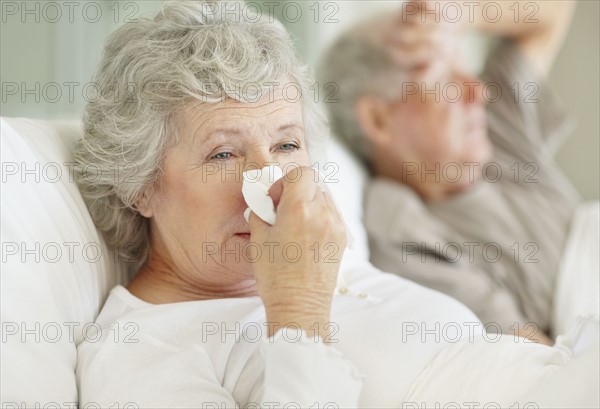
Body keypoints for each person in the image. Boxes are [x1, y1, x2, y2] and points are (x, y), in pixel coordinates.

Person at [75, 1, 597, 407]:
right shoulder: (142, 350)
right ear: (138, 182)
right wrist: (298, 312)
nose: (273, 181)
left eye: (286, 144)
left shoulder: (336, 254)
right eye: (224, 153)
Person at [318, 1, 582, 344]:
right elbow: (540, 357)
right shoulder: (401, 229)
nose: (478, 93)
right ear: (379, 120)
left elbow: (553, 13)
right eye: (445, 80)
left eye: (466, 69)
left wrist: (465, 14)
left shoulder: (496, 124)